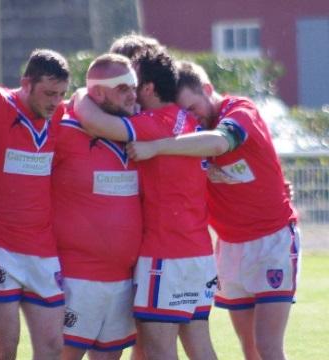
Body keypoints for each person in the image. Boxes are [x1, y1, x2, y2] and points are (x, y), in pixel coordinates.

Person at [126, 60, 300, 360]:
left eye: (193, 108)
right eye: (184, 112)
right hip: (230, 247)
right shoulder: (191, 132)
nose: (191, 117)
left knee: (267, 346)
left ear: (207, 89)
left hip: (273, 241)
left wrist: (157, 146)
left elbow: (220, 143)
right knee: (249, 348)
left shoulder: (240, 111)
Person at [73, 45, 217, 360]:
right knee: (200, 345)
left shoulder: (152, 123)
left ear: (148, 88)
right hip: (199, 253)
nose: (131, 93)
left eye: (132, 84)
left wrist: (83, 93)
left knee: (158, 350)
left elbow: (96, 123)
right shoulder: (186, 119)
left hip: (166, 253)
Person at [0, 49, 70, 360]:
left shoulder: (61, 115)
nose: (55, 101)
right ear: (26, 83)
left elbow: (87, 104)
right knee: (6, 346)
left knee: (52, 346)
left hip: (42, 248)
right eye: (49, 93)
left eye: (61, 94)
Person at [52, 53, 141, 360]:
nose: (132, 94)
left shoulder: (137, 132)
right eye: (123, 87)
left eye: (134, 86)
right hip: (78, 275)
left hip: (122, 277)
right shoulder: (63, 130)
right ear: (98, 92)